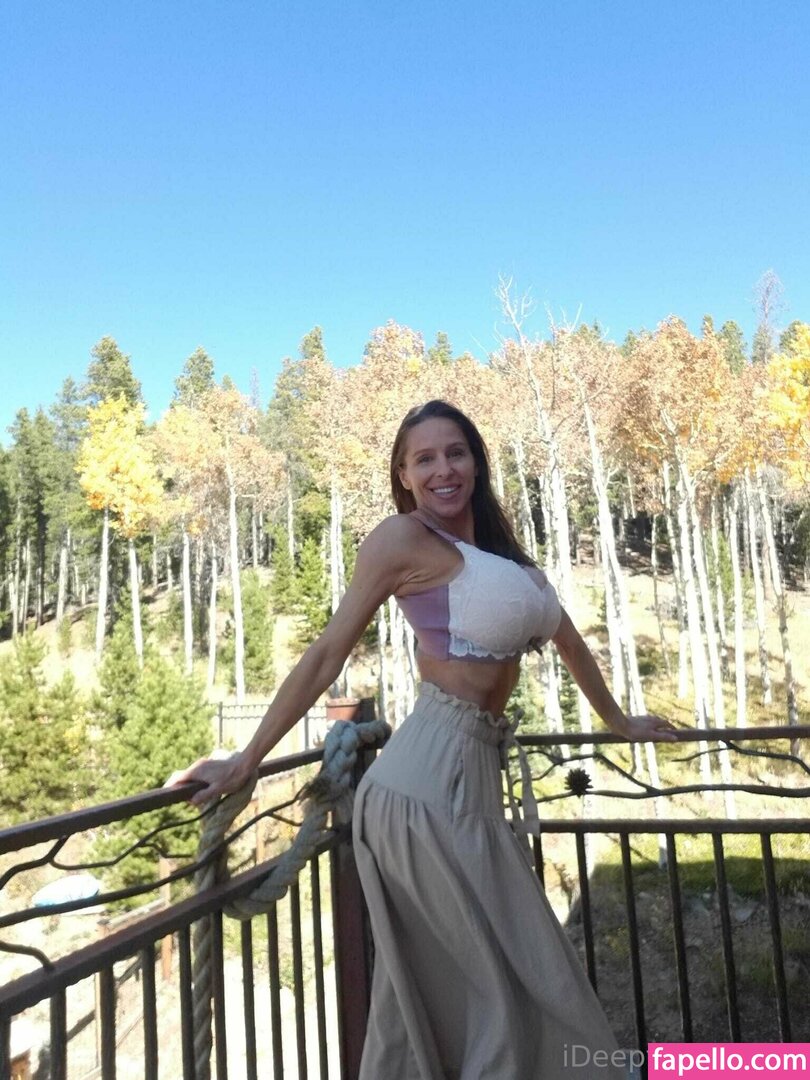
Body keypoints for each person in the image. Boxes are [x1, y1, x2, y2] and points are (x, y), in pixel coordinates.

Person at [170, 399, 676, 1079]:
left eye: (456, 453)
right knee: (503, 987)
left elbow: (568, 640)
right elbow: (326, 654)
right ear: (403, 475)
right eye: (425, 459)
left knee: (471, 990)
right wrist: (247, 760)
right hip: (423, 788)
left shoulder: (499, 556)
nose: (444, 470)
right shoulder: (401, 541)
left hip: (473, 780)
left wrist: (619, 720)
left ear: (477, 463)